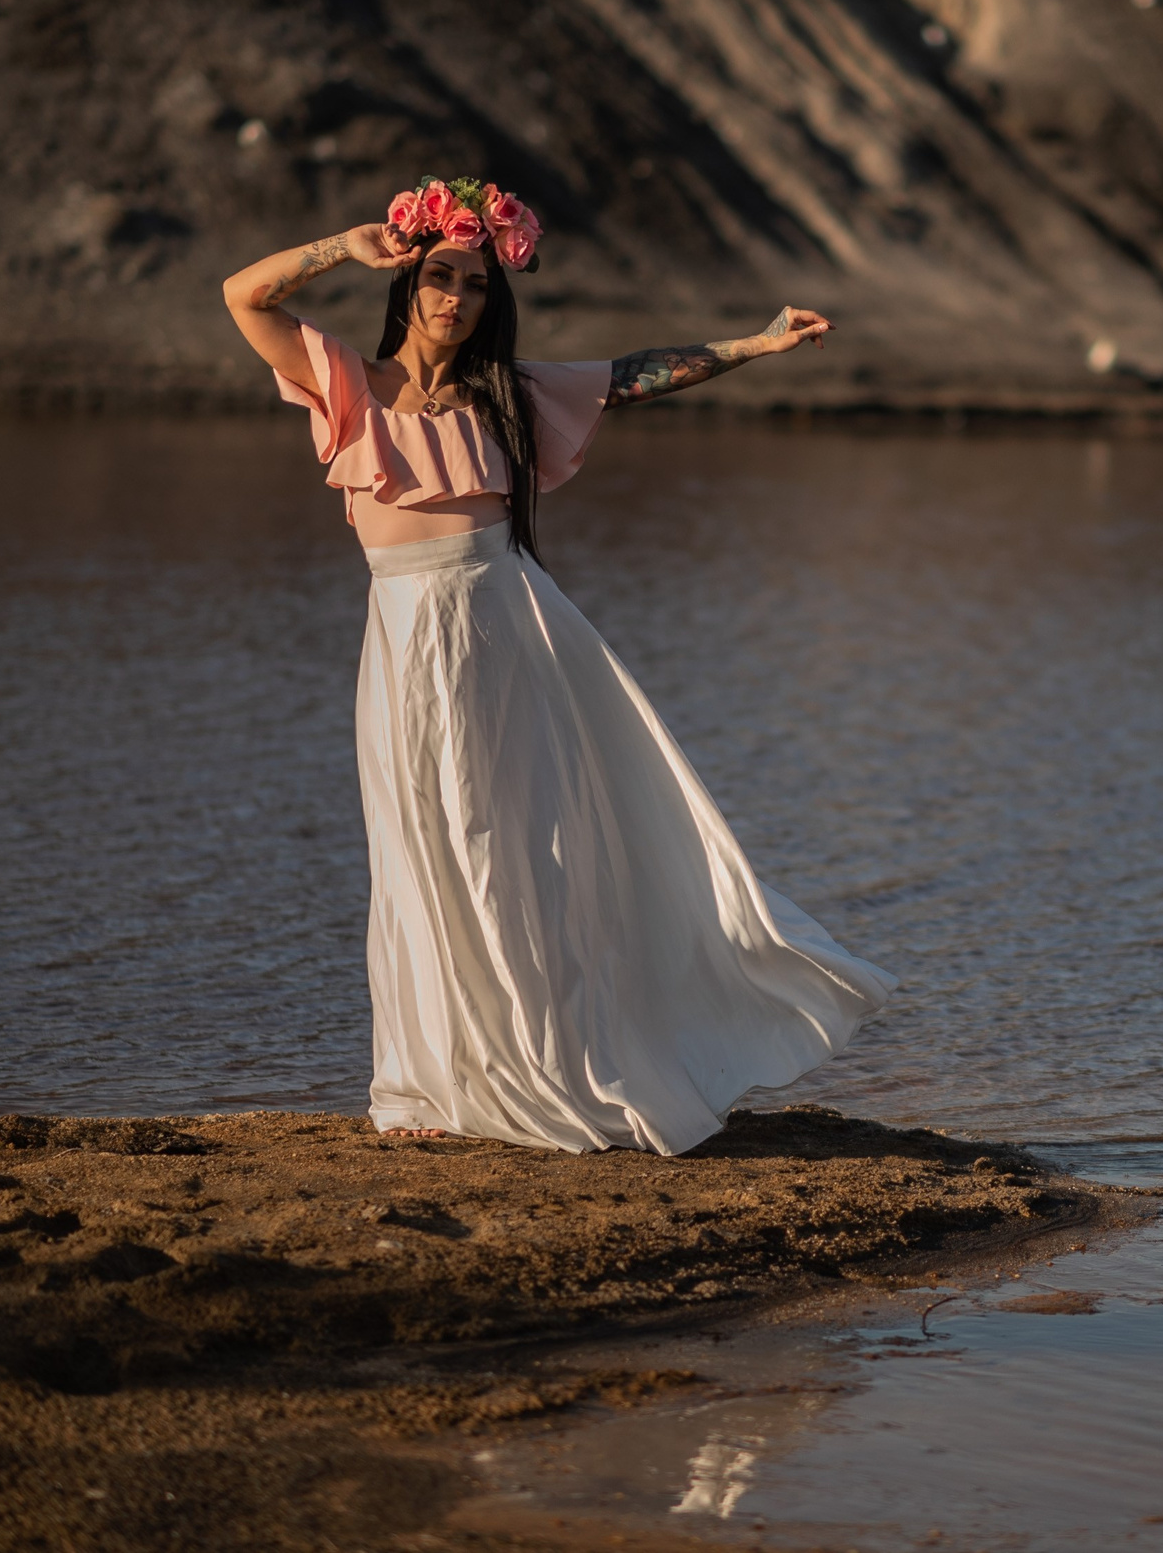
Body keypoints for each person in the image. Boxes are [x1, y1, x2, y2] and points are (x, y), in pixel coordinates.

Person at [220, 177, 892, 1154]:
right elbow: (245, 295)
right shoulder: (349, 386)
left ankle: (549, 1063)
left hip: (507, 636)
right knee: (420, 855)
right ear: (408, 284)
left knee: (511, 855)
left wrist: (754, 342)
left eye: (476, 285)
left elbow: (632, 374)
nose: (456, 297)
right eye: (441, 277)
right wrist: (341, 243)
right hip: (405, 645)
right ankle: (438, 1081)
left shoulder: (511, 396)